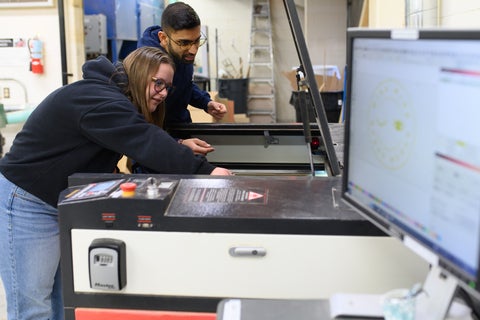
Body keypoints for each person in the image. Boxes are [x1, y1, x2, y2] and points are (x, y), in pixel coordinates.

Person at [0, 46, 233, 320]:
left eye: (167, 87)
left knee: (63, 300)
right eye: (157, 83)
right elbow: (142, 139)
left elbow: (130, 134)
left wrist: (178, 144)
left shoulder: (113, 99)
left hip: (60, 201)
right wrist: (207, 172)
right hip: (28, 201)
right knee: (32, 306)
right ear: (138, 74)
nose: (163, 92)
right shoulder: (99, 98)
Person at [138, 1, 227, 155]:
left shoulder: (180, 54)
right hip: (157, 145)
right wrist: (177, 143)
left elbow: (184, 85)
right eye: (184, 43)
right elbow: (141, 127)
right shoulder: (146, 66)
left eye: (197, 41)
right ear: (163, 38)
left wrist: (206, 102)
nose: (193, 50)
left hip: (181, 131)